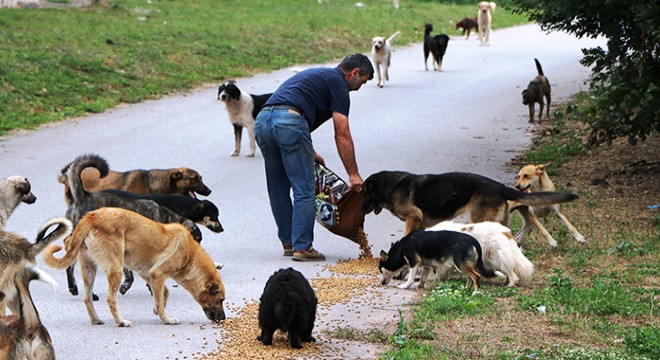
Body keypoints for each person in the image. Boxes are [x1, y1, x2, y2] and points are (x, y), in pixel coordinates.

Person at [255, 53, 374, 262]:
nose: (358, 88)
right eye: (361, 82)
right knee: (304, 187)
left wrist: (310, 152)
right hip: (289, 122)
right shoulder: (338, 84)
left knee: (278, 188)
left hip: (263, 121)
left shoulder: (318, 74)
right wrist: (353, 174)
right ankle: (303, 247)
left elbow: (289, 109)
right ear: (354, 73)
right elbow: (342, 133)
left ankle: (289, 243)